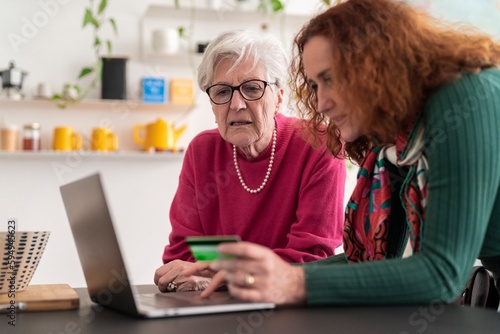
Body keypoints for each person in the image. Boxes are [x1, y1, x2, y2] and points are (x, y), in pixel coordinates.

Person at [183, 0, 500, 305]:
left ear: (377, 67)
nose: (320, 104)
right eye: (315, 85)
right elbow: (367, 261)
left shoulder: (465, 99)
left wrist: (292, 282)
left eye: (331, 79)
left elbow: (443, 275)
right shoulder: (396, 140)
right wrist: (262, 277)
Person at [154, 30, 346, 293]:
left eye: (252, 88)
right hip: (210, 307)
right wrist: (204, 274)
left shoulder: (320, 145)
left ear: (279, 97)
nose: (236, 104)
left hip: (290, 311)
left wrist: (217, 273)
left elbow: (310, 258)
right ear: (212, 105)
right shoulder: (202, 151)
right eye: (222, 92)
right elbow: (182, 254)